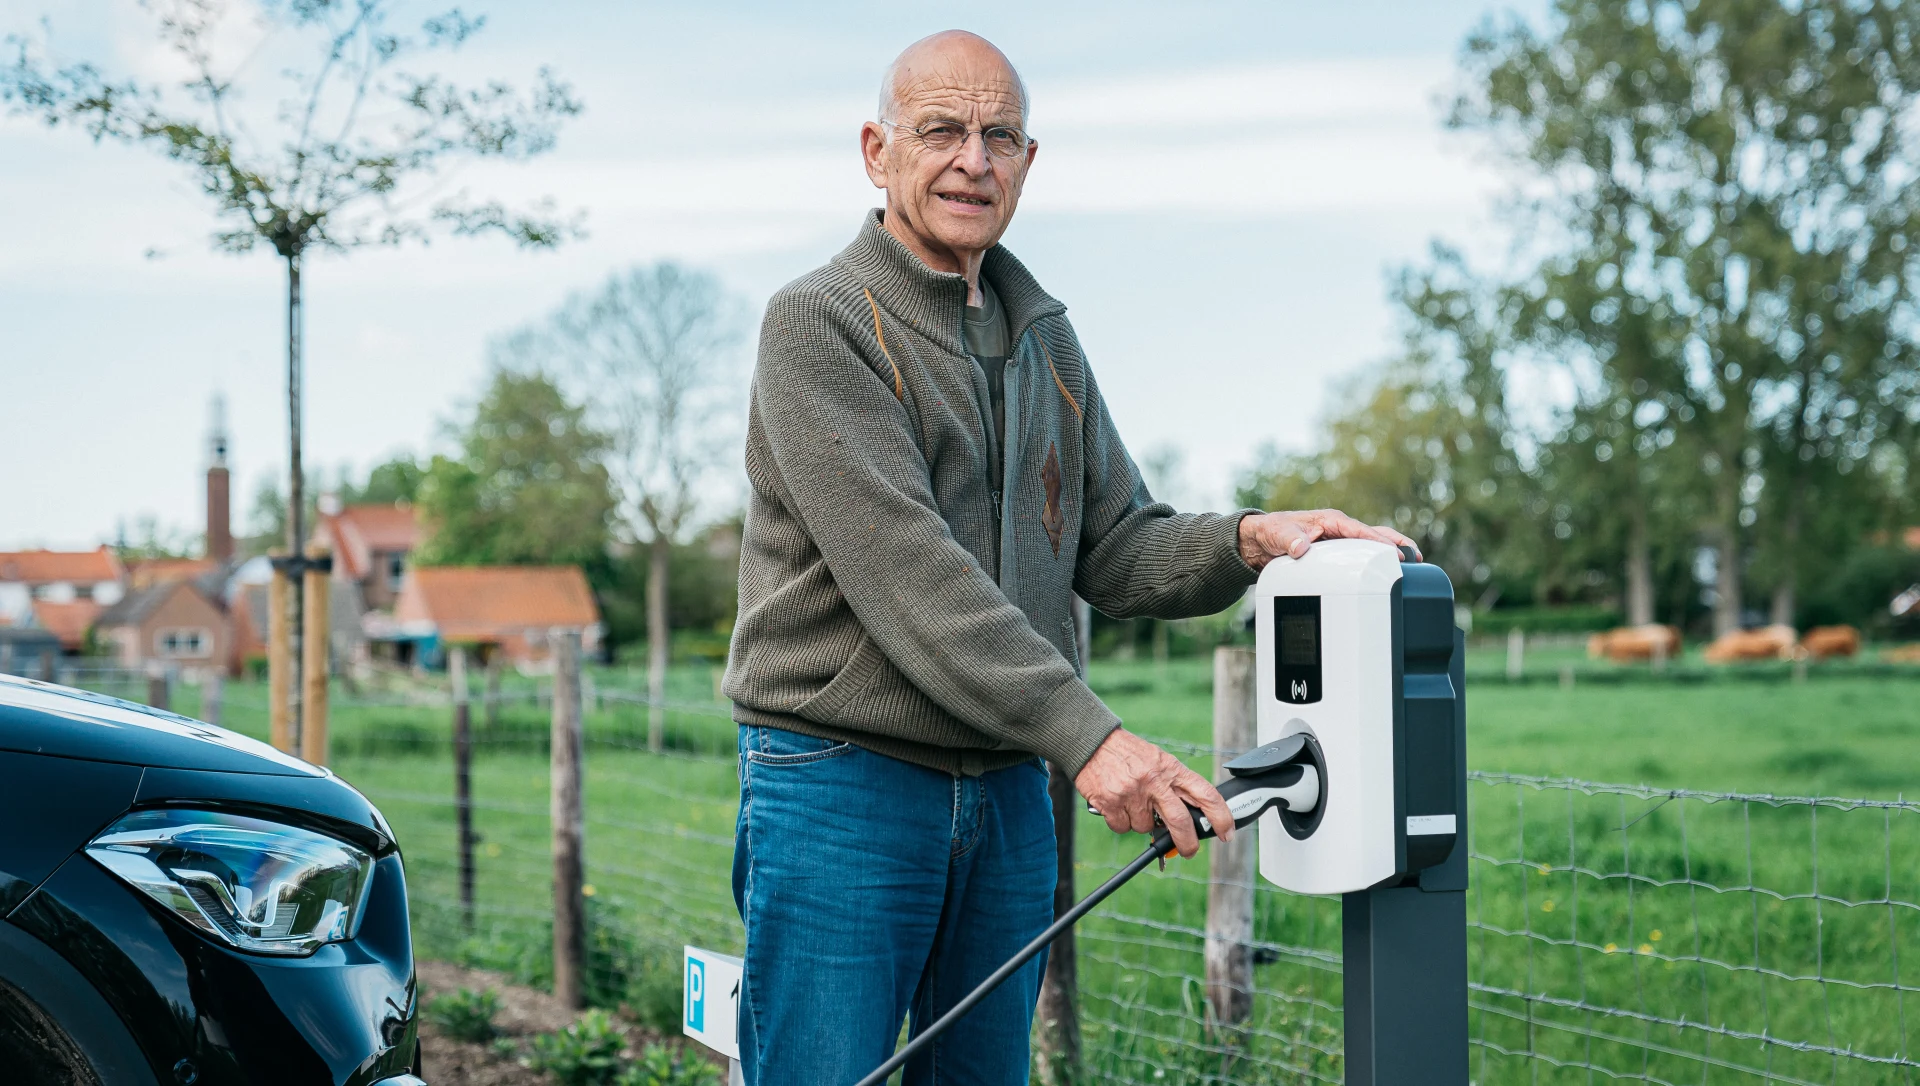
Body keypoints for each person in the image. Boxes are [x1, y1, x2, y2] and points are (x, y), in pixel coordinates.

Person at [723, 29, 1417, 1085]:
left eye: (1000, 136)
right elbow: (913, 576)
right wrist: (1092, 739)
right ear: (876, 150)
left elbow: (1118, 543)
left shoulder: (1044, 339)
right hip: (844, 784)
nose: (974, 160)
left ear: (1029, 164)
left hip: (1006, 790)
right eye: (942, 131)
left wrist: (1250, 541)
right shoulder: (819, 325)